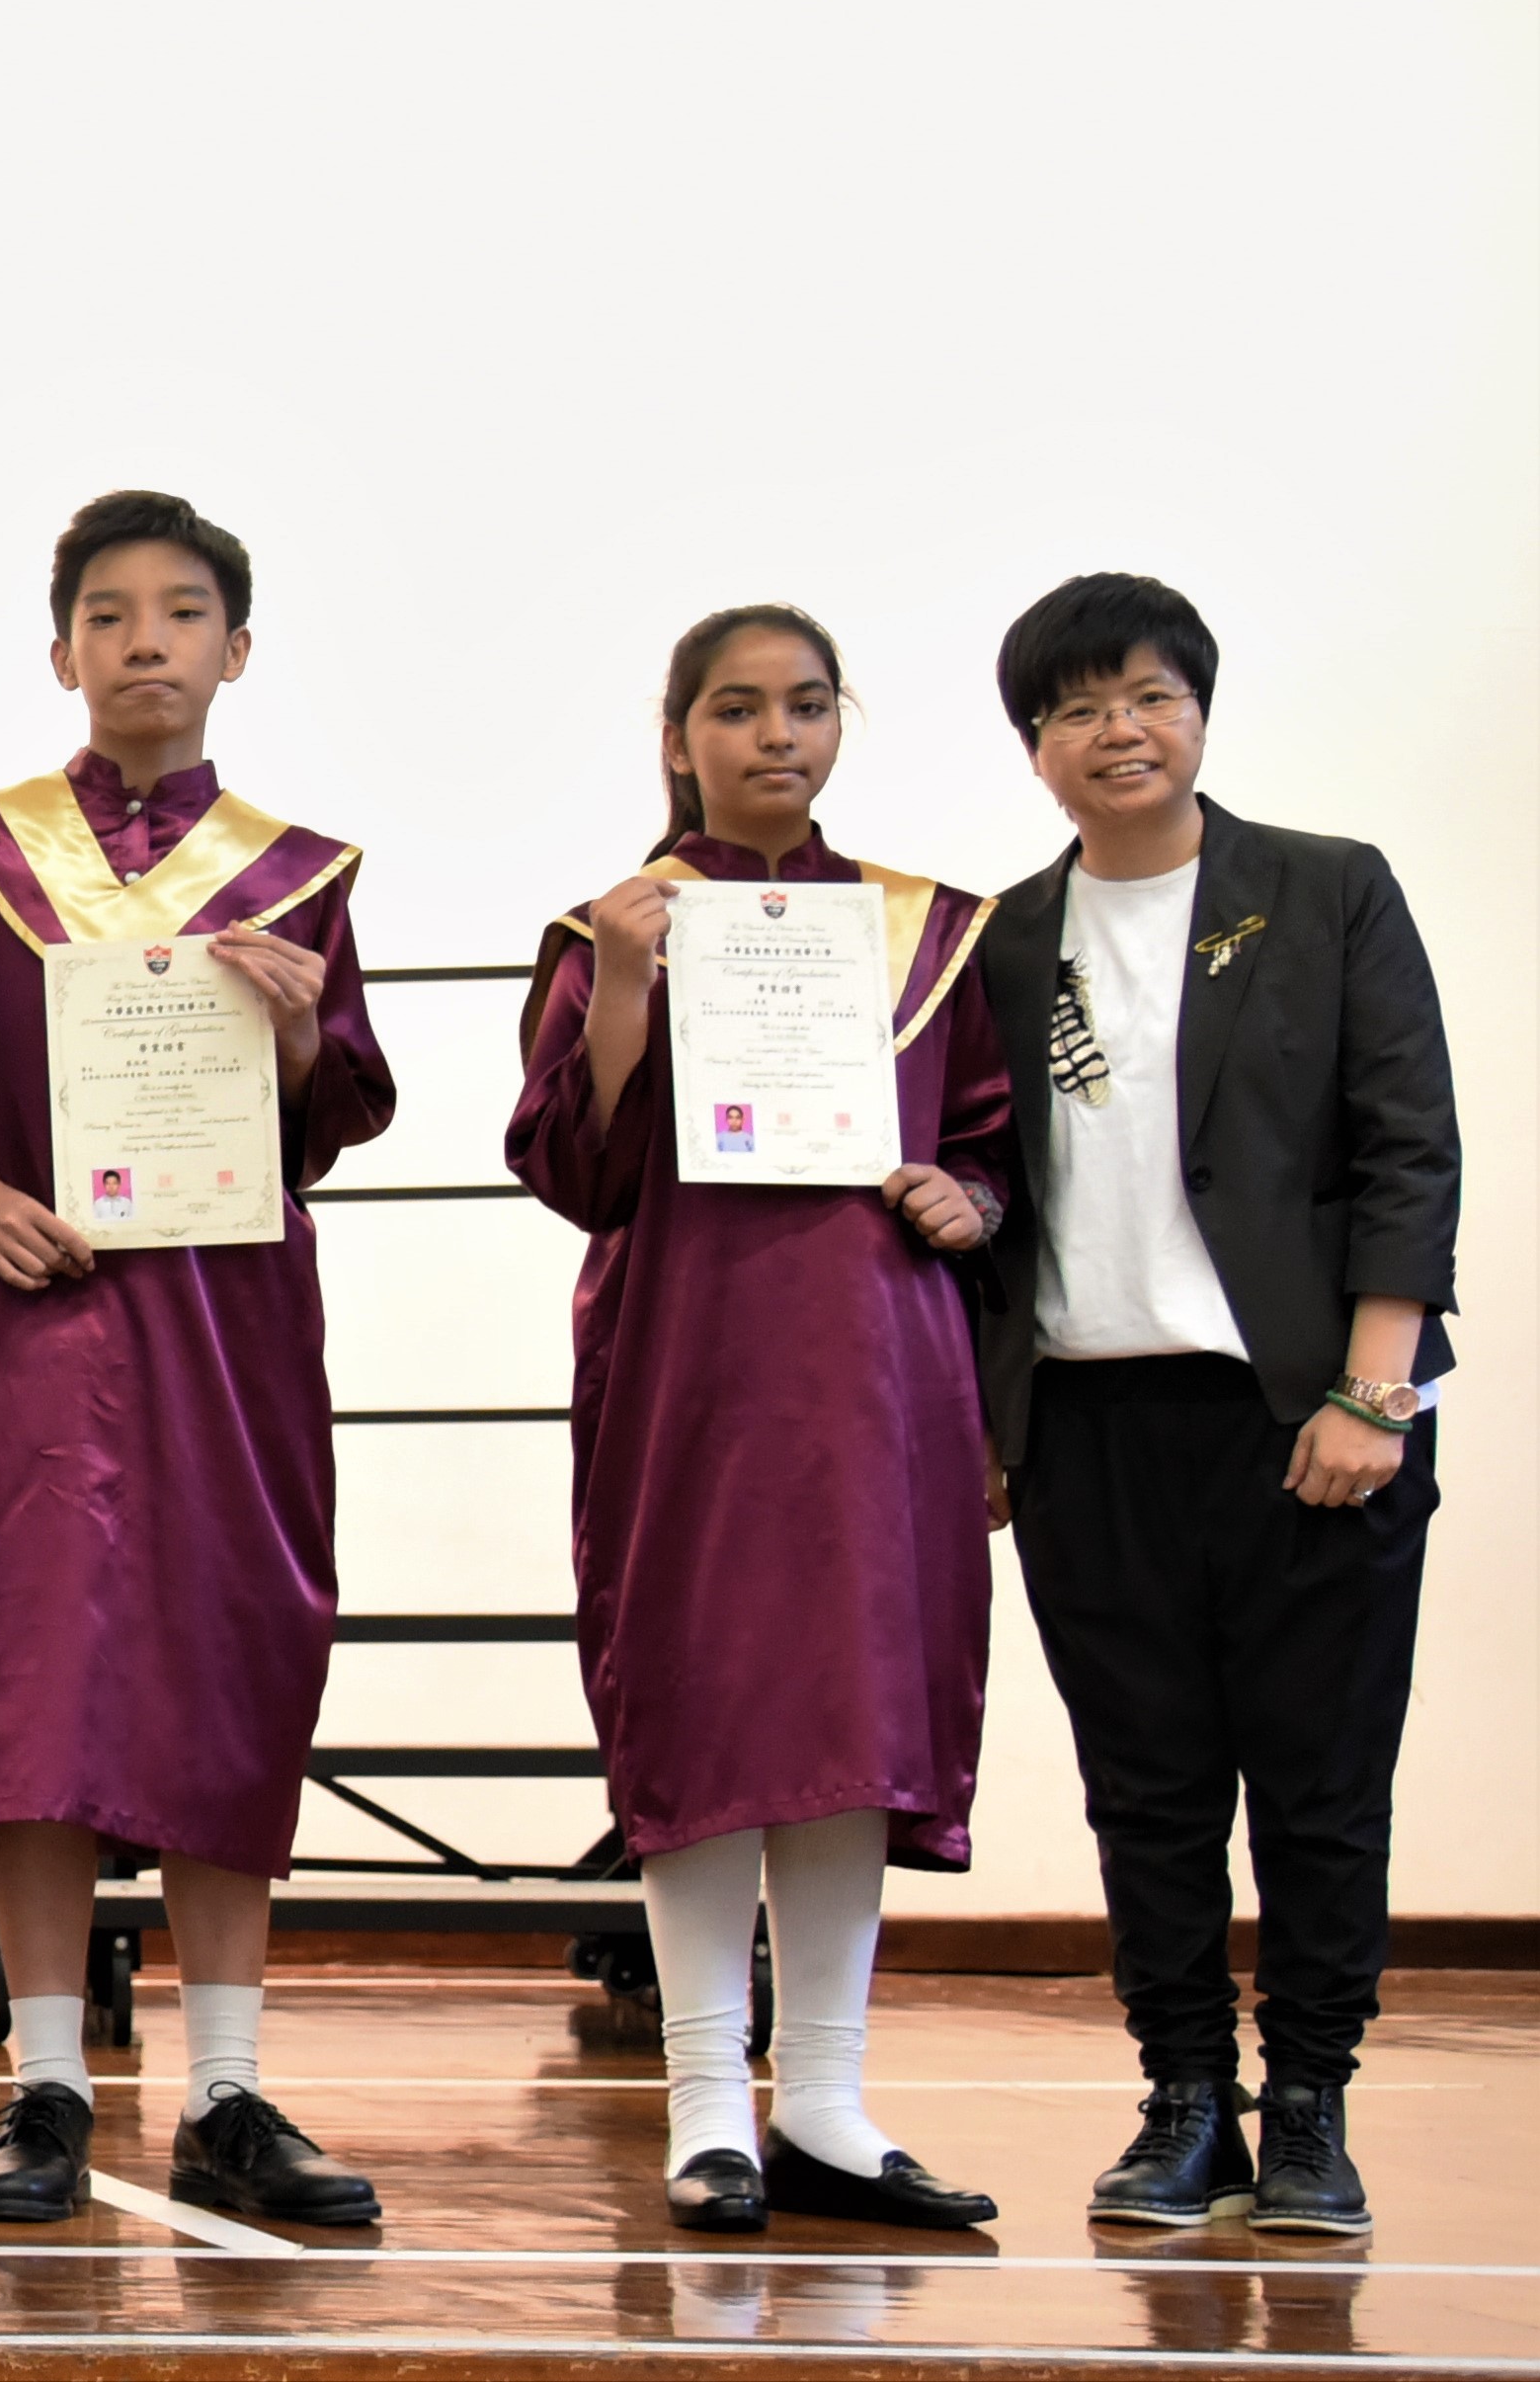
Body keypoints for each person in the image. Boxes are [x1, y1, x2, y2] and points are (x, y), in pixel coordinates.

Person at [0, 492, 396, 2227]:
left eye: (180, 611)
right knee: (35, 1679)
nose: (145, 639)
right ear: (61, 652)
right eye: (109, 613)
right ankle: (45, 2081)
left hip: (227, 1327)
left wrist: (304, 1030)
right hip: (34, 1308)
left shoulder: (296, 875)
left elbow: (340, 1105)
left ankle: (228, 2086)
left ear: (236, 648)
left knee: (225, 1657)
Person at [504, 606, 1008, 2235]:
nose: (775, 734)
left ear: (840, 724)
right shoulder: (611, 928)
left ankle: (830, 2103)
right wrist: (625, 983)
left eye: (805, 704)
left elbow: (993, 1143)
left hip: (876, 1367)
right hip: (691, 1360)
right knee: (710, 1705)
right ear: (679, 737)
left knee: (851, 1715)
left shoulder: (930, 932)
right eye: (735, 707)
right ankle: (708, 2100)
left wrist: (973, 1195)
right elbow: (577, 1168)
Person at [971, 573, 1458, 2241]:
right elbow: (987, 1187)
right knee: (1147, 1786)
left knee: (1322, 1781)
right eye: (1079, 707)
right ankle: (1186, 2097)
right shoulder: (1002, 940)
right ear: (1035, 746)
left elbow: (1409, 1146)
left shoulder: (1324, 890)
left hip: (1307, 1417)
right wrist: (986, 1420)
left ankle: (1312, 2101)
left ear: (1199, 712)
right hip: (1087, 1426)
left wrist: (1373, 1390)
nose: (1120, 730)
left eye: (1151, 696)